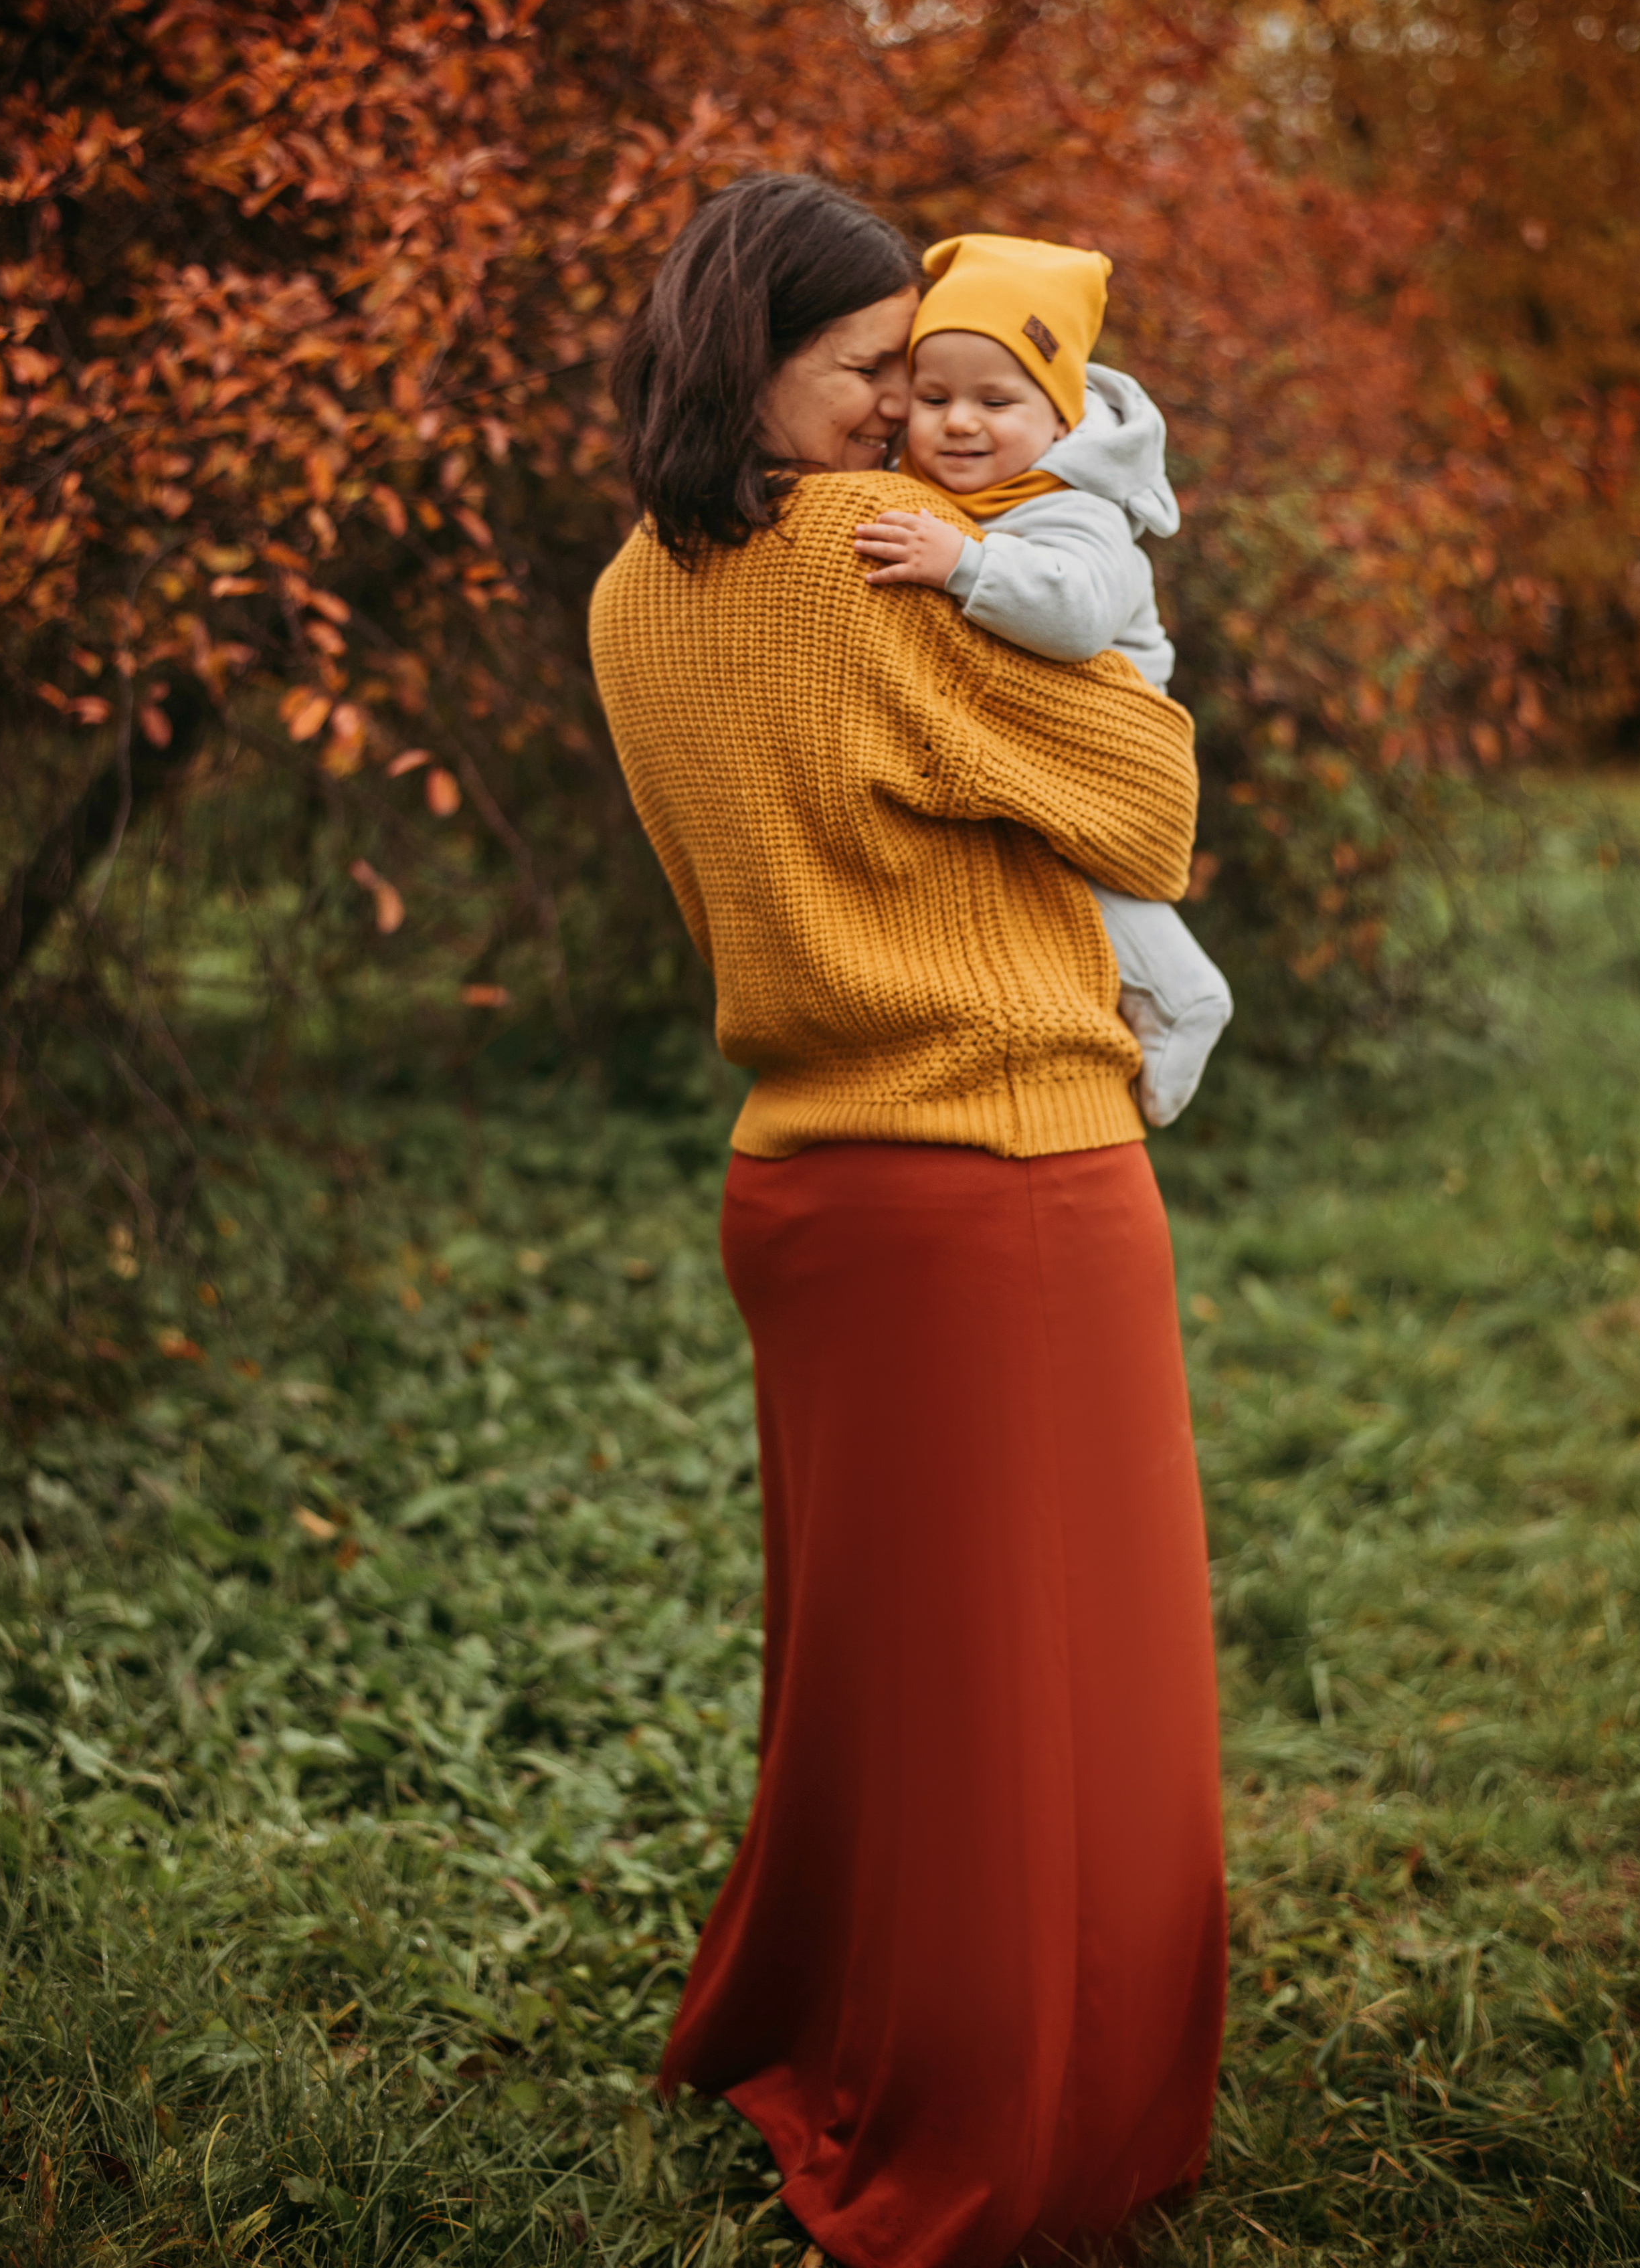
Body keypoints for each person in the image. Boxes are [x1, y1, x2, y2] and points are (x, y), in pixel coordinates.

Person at [591, 173, 1226, 2268]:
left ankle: (828, 2015)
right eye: (870, 371)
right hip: (1003, 1173)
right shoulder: (877, 573)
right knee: (1056, 1704)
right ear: (754, 357)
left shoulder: (626, 596)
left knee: (883, 1687)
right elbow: (1145, 807)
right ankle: (1005, 2121)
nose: (901, 418)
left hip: (801, 1178)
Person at [854, 231, 1233, 1129]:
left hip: (1105, 738)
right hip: (1023, 733)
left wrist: (964, 566)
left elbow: (1077, 613)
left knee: (1088, 885)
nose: (959, 422)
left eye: (997, 399)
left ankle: (1184, 994)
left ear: (1061, 418)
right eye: (934, 397)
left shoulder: (1071, 504)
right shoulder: (968, 491)